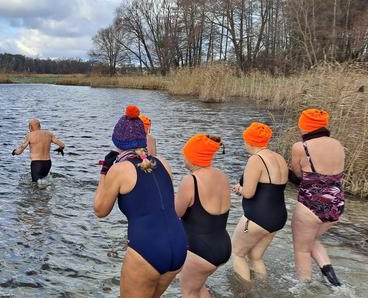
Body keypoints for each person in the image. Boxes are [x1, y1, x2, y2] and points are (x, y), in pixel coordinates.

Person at [94, 106, 186, 297]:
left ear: (117, 141)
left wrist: (104, 172)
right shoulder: (163, 163)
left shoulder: (120, 169)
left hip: (147, 249)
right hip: (178, 245)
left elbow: (100, 210)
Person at [290, 109, 345, 286]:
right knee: (311, 239)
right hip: (336, 203)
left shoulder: (301, 147)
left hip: (310, 204)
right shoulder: (337, 144)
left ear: (304, 125)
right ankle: (334, 282)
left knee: (302, 250)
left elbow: (298, 174)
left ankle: (303, 289)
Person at [175, 134, 231, 297]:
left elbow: (176, 213)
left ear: (193, 158)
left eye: (185, 154)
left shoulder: (191, 181)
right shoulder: (221, 175)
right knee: (198, 288)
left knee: (188, 291)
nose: (183, 157)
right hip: (223, 246)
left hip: (200, 250)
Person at [231, 122, 288, 283]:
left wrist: (238, 189)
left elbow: (249, 193)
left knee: (237, 254)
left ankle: (245, 292)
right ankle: (263, 289)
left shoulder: (256, 159)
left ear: (249, 141)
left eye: (244, 140)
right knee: (255, 257)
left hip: (258, 217)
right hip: (278, 217)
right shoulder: (279, 157)